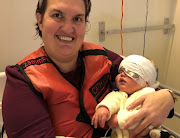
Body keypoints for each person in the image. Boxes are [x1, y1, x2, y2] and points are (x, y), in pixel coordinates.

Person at [2, 0, 175, 137]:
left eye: (77, 18)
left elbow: (139, 82)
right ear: (40, 20)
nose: (68, 28)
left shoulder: (101, 57)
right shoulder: (23, 80)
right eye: (57, 15)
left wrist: (166, 97)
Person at [91, 55, 160, 137]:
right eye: (120, 72)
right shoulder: (119, 94)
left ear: (146, 82)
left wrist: (119, 120)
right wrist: (104, 109)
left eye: (131, 73)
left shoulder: (148, 93)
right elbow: (111, 101)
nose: (123, 74)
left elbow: (145, 116)